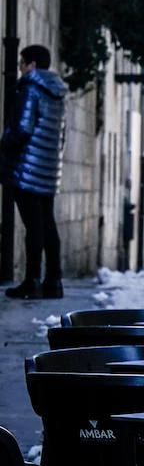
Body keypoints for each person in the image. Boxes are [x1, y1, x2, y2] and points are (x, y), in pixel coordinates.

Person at [1, 45, 68, 299]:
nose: (19, 67)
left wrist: (4, 143)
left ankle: (32, 280)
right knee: (47, 224)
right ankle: (54, 281)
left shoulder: (31, 89)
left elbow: (22, 128)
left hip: (26, 169)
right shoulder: (57, 92)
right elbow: (61, 134)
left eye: (22, 63)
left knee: (33, 227)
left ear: (31, 64)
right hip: (48, 169)